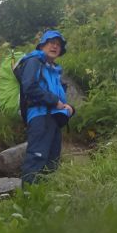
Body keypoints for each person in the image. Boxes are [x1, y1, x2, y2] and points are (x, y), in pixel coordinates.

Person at [19, 29, 74, 185]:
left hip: (53, 119)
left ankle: (45, 200)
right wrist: (53, 101)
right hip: (40, 117)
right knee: (36, 157)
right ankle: (28, 200)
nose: (55, 47)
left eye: (58, 45)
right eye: (51, 43)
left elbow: (58, 97)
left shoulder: (54, 70)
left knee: (52, 162)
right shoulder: (34, 61)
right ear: (42, 46)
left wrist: (68, 107)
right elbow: (29, 86)